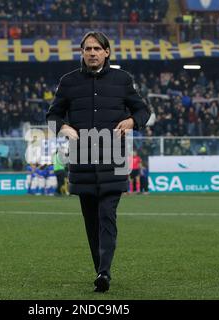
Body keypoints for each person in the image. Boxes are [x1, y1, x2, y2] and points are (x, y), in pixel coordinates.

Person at [46, 31, 151, 292]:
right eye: (87, 48)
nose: (92, 52)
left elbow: (142, 110)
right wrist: (64, 128)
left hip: (113, 161)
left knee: (107, 217)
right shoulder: (68, 82)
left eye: (96, 48)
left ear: (106, 52)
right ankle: (100, 270)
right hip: (82, 163)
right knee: (91, 223)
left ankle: (104, 272)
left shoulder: (123, 79)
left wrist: (131, 121)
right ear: (82, 52)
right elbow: (52, 116)